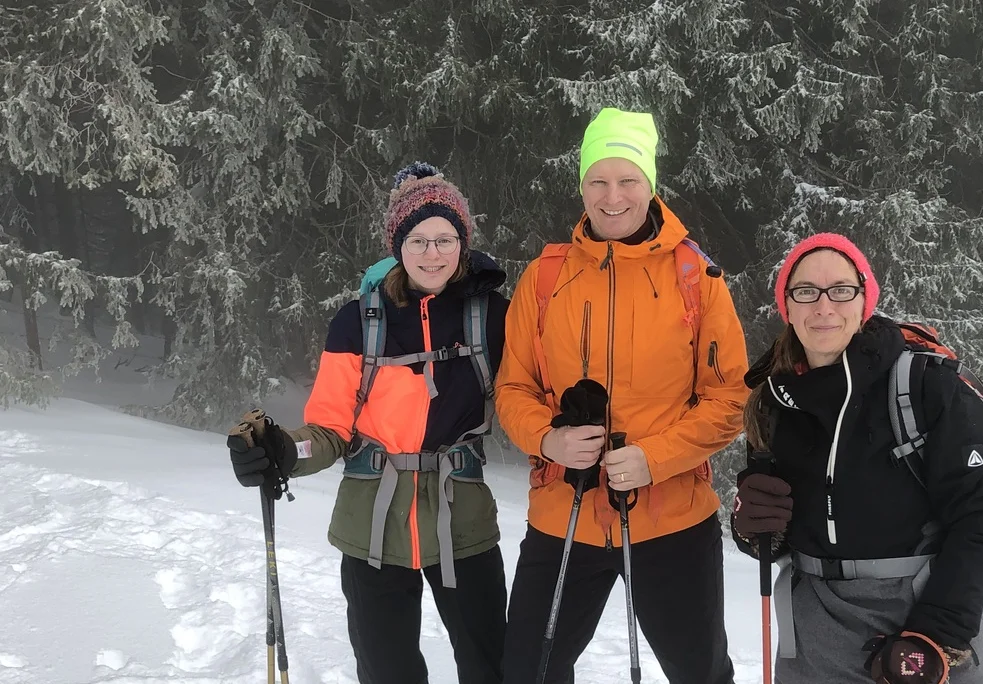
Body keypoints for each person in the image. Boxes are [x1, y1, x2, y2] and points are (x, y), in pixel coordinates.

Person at [227, 162, 509, 684]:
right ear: (397, 245)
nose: (432, 253)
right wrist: (284, 452)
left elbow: (524, 400)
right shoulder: (356, 320)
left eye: (445, 239)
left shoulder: (490, 315)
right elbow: (329, 432)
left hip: (461, 521)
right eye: (418, 239)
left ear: (463, 243)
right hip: (372, 528)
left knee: (492, 666)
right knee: (387, 672)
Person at [494, 107, 750, 684]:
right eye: (598, 181)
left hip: (672, 520)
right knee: (528, 671)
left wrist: (654, 459)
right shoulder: (545, 276)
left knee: (700, 673)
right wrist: (548, 438)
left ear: (650, 184)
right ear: (581, 185)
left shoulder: (696, 277)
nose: (613, 196)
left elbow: (729, 399)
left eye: (628, 180)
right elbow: (513, 387)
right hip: (565, 514)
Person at [732, 232, 983, 684]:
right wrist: (752, 528)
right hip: (817, 631)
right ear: (786, 306)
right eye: (805, 292)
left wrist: (936, 634)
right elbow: (780, 534)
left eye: (841, 290)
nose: (823, 307)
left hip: (927, 612)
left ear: (865, 299)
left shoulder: (925, 385)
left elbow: (982, 519)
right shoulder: (773, 401)